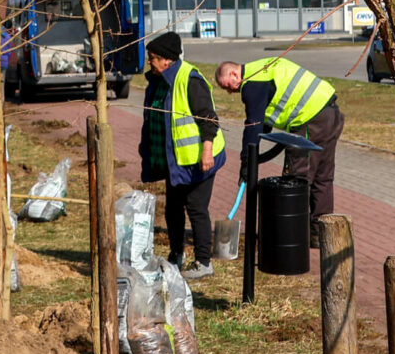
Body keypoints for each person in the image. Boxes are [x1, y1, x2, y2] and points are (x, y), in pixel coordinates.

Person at [215, 57, 343, 248]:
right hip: (330, 111)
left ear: (234, 74)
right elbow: (264, 119)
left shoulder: (252, 84)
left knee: (297, 178)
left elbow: (253, 125)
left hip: (310, 118)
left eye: (228, 86)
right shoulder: (262, 68)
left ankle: (293, 234)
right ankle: (319, 233)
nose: (230, 91)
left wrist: (246, 161)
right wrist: (254, 155)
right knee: (323, 177)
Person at [139, 32, 225, 280]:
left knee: (196, 208)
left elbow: (208, 119)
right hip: (176, 160)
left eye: (152, 58)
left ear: (166, 59)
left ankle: (204, 263)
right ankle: (176, 254)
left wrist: (206, 152)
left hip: (200, 159)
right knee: (173, 208)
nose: (149, 62)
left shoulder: (190, 79)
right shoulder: (158, 80)